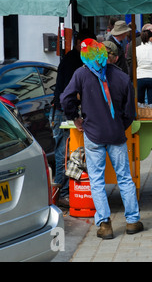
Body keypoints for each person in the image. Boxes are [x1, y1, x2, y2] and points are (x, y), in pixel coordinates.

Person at [60, 38, 143, 239]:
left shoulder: (81, 73)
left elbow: (65, 99)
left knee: (96, 180)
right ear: (107, 56)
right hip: (115, 135)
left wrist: (76, 119)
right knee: (125, 178)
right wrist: (118, 127)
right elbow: (130, 113)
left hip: (93, 135)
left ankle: (105, 225)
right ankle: (132, 222)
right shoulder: (122, 77)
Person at [51, 29, 96, 208]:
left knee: (66, 151)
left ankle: (63, 192)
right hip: (63, 111)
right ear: (80, 44)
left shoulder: (76, 59)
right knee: (64, 153)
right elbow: (71, 93)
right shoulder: (72, 61)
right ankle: (62, 194)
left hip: (64, 109)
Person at [136, 30, 152, 105]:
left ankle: (140, 116)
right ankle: (151, 116)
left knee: (139, 103)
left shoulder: (137, 49)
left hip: (140, 76)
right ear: (150, 38)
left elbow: (133, 65)